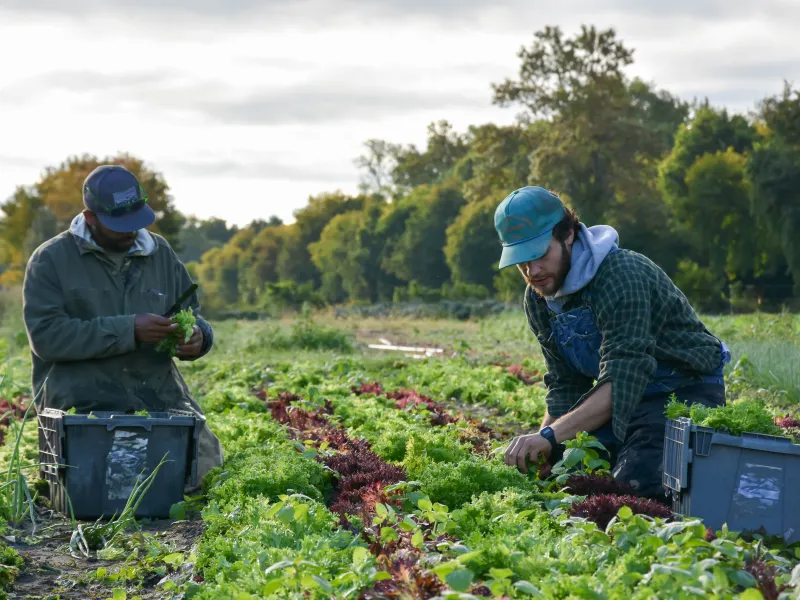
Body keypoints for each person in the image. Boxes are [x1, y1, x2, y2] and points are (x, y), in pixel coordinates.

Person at [495, 186, 729, 500]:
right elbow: (566, 385)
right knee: (566, 480)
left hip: (682, 392)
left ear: (568, 235)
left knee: (632, 491)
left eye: (538, 255)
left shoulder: (621, 274)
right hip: (618, 403)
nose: (531, 271)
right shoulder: (539, 299)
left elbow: (622, 379)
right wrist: (545, 446)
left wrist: (549, 437)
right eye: (521, 261)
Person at [22, 164, 223, 487]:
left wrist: (198, 338)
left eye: (137, 221)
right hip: (81, 402)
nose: (131, 231)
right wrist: (128, 330)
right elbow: (47, 338)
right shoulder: (51, 260)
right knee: (94, 489)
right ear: (91, 218)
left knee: (205, 473)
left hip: (156, 397)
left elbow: (190, 313)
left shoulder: (160, 254)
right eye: (120, 225)